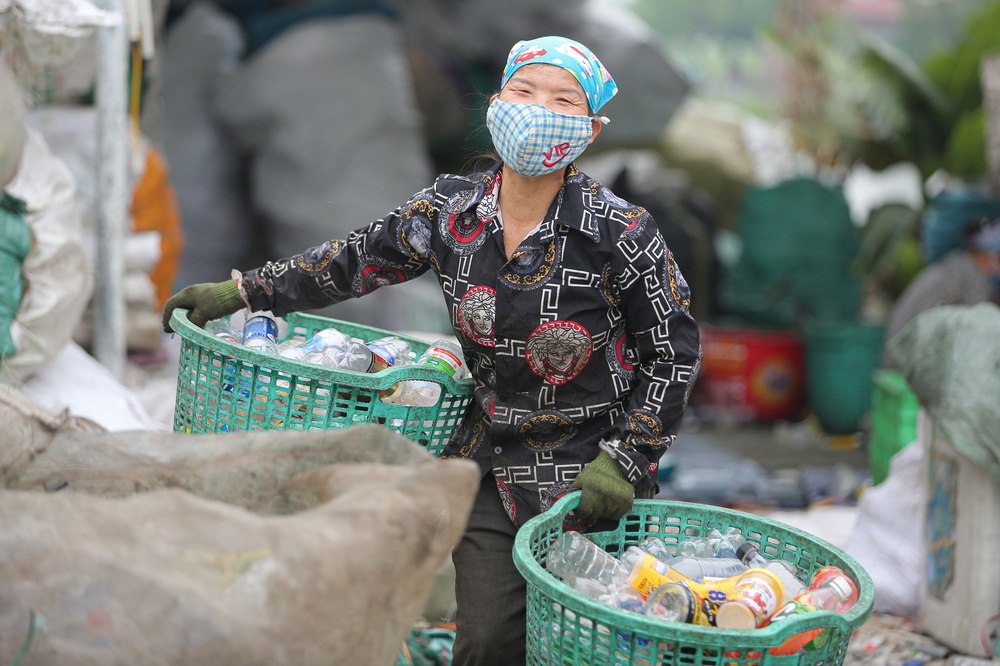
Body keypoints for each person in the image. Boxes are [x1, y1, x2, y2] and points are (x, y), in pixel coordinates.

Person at [162, 35, 702, 664]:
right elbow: (354, 260)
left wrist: (629, 460)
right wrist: (245, 292)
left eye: (562, 100)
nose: (537, 108)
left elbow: (674, 350)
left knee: (581, 647)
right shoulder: (453, 210)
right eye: (524, 92)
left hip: (589, 476)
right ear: (498, 102)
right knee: (489, 639)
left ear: (590, 128)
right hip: (493, 461)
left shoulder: (619, 232)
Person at [881, 216, 1000, 368]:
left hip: (897, 361)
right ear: (989, 254)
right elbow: (984, 332)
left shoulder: (955, 265)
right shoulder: (971, 277)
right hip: (907, 369)